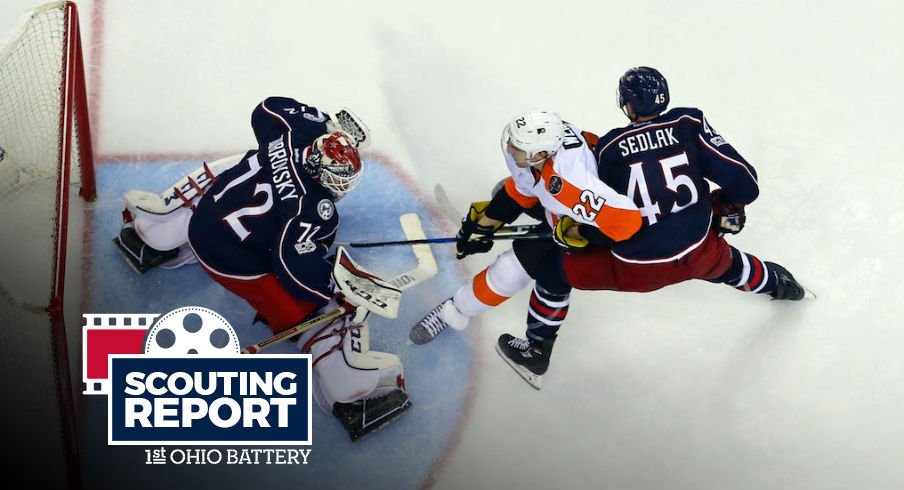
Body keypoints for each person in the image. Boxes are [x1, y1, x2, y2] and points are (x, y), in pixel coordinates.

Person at [411, 67, 807, 390]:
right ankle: (781, 285)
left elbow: (619, 220)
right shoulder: (689, 122)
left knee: (546, 269)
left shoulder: (609, 149)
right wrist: (727, 207)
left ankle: (533, 351)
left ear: (626, 104)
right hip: (701, 247)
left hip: (636, 264)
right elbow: (745, 184)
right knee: (729, 266)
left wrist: (575, 235)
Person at [113, 96, 410, 441]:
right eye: (340, 179)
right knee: (316, 308)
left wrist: (325, 124)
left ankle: (156, 232)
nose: (342, 187)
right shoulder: (311, 209)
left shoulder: (291, 135)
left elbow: (268, 107)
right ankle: (348, 390)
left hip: (202, 221)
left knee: (233, 169)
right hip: (234, 266)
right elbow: (290, 266)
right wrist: (336, 287)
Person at [409, 109, 643, 389]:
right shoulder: (539, 157)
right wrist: (484, 226)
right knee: (501, 193)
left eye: (517, 146)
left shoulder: (569, 181)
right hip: (570, 210)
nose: (509, 147)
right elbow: (523, 189)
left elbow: (627, 223)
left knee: (519, 268)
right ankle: (457, 309)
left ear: (539, 155)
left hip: (601, 229)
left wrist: (576, 233)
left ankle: (464, 315)